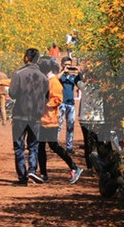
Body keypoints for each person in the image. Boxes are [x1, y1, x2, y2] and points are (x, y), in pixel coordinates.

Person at [38, 57, 83, 184]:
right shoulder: (48, 80)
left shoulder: (54, 82)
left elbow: (57, 99)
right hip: (43, 120)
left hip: (50, 120)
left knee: (54, 146)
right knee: (41, 147)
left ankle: (75, 167)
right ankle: (44, 174)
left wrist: (43, 105)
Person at [8, 48, 48, 185]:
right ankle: (32, 170)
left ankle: (22, 177)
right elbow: (46, 96)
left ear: (27, 58)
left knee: (19, 147)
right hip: (35, 116)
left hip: (20, 115)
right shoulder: (43, 77)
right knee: (33, 146)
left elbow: (12, 94)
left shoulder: (18, 74)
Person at [58, 56, 83, 151]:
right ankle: (56, 145)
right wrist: (63, 71)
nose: (68, 67)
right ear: (62, 65)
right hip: (61, 103)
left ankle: (69, 146)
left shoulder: (73, 77)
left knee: (70, 125)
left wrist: (78, 71)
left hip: (71, 103)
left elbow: (82, 81)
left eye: (69, 65)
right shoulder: (60, 75)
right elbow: (55, 79)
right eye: (66, 65)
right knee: (59, 125)